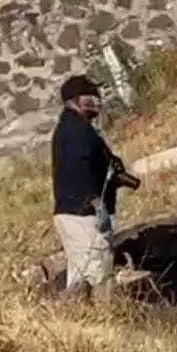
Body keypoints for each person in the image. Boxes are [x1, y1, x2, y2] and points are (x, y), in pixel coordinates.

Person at [51, 74, 137, 300]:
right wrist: (97, 203)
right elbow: (80, 168)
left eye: (97, 97)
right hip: (82, 213)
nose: (96, 102)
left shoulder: (78, 129)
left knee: (82, 276)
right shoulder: (75, 130)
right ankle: (99, 320)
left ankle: (81, 322)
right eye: (88, 98)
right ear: (73, 101)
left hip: (80, 212)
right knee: (96, 275)